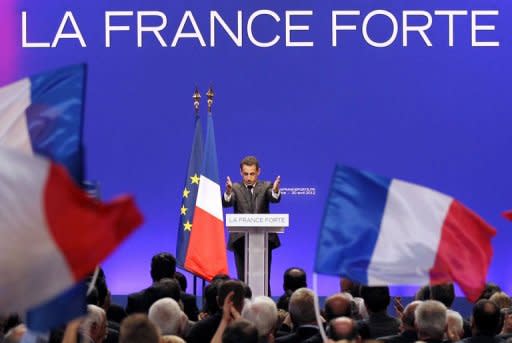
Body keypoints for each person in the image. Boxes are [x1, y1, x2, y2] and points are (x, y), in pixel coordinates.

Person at [222, 156, 281, 284]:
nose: (249, 178)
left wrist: (276, 190)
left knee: (263, 280)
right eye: (245, 174)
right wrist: (227, 193)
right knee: (243, 281)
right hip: (240, 240)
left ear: (258, 172)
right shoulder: (235, 188)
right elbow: (228, 202)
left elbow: (273, 197)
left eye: (252, 174)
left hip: (263, 240)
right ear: (240, 172)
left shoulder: (266, 186)